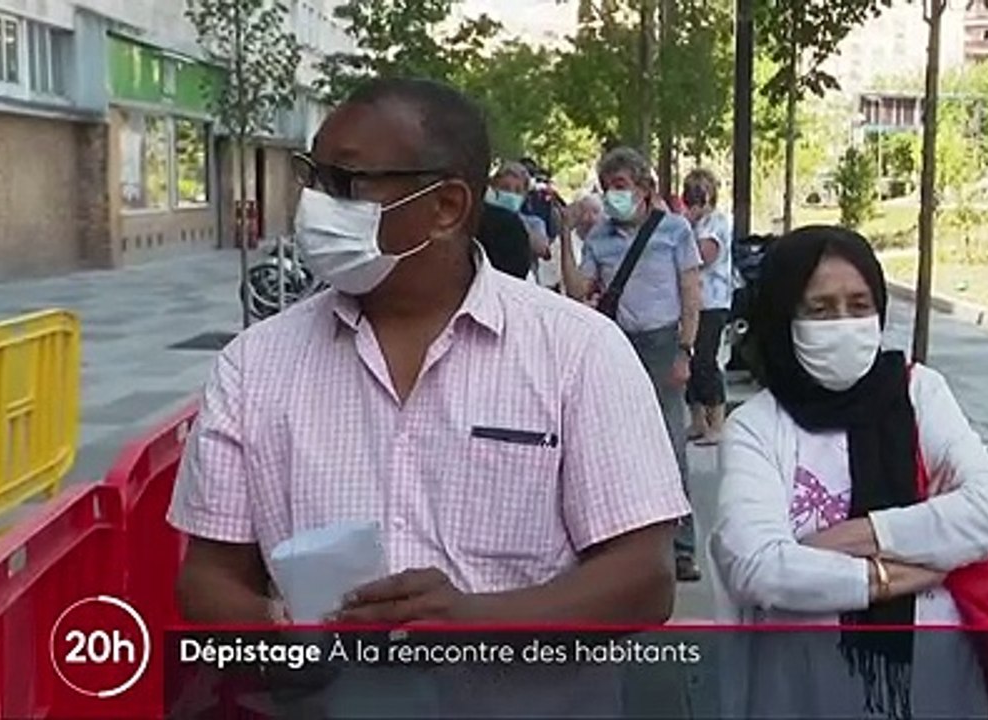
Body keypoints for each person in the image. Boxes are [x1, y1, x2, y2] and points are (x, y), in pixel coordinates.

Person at [169, 78, 690, 631]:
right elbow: (207, 579)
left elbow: (644, 580)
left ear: (446, 207)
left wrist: (475, 623)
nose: (313, 204)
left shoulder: (580, 353)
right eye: (311, 176)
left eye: (345, 183)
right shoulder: (252, 366)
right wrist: (286, 632)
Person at [709, 226, 988, 717]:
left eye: (858, 304)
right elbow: (758, 569)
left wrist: (837, 541)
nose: (844, 324)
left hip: (935, 685)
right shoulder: (756, 427)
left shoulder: (920, 393)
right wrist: (910, 564)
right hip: (804, 690)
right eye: (820, 309)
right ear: (783, 316)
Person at [559, 147, 704, 583]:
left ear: (644, 189)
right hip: (617, 345)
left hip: (661, 343)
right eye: (607, 188)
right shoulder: (599, 237)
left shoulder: (674, 230)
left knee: (670, 445)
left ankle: (682, 548)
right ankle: (622, 545)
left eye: (620, 186)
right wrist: (565, 235)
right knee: (614, 448)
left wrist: (686, 349)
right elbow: (578, 291)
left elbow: (691, 291)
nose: (613, 195)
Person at [680, 168, 733, 446]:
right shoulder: (688, 223)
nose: (694, 201)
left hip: (711, 302)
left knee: (705, 361)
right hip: (689, 302)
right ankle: (697, 420)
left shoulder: (716, 223)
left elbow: (703, 256)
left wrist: (686, 228)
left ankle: (717, 422)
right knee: (688, 360)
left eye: (699, 194)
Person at [486, 161, 551, 280]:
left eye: (517, 190)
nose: (511, 193)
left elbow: (542, 248)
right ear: (493, 188)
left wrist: (512, 220)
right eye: (505, 188)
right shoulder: (482, 218)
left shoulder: (534, 223)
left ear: (524, 196)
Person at [537, 193, 602, 293]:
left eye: (595, 212)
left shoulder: (601, 246)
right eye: (586, 212)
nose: (591, 218)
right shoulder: (563, 241)